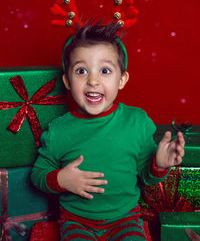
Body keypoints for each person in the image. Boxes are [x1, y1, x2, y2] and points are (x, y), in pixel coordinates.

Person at [31, 22, 185, 240]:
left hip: (124, 219)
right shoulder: (59, 130)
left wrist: (159, 164)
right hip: (77, 221)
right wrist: (62, 179)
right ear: (67, 80)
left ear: (121, 80)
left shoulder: (136, 123)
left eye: (105, 71)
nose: (93, 80)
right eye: (81, 71)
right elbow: (37, 176)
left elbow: (147, 177)